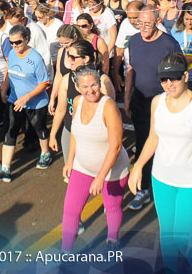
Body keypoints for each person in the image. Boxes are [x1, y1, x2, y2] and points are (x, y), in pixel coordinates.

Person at [130, 53, 192, 273]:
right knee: (167, 235)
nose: (168, 84)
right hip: (161, 179)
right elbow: (153, 137)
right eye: (163, 79)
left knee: (184, 238)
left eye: (174, 78)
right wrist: (138, 166)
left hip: (191, 182)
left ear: (186, 76)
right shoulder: (157, 102)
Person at [61, 66, 129, 251]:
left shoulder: (108, 107)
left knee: (112, 207)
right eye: (85, 87)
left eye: (94, 85)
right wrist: (70, 161)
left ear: (100, 84)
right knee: (70, 211)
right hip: (82, 167)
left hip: (112, 169)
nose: (90, 90)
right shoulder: (77, 102)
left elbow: (115, 146)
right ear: (78, 87)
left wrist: (100, 177)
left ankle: (112, 239)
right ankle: (65, 251)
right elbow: (74, 131)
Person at [124, 6, 183, 211]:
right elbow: (131, 69)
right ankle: (144, 190)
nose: (143, 28)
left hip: (165, 104)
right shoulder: (134, 41)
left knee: (168, 145)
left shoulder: (169, 44)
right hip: (141, 102)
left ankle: (170, 186)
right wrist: (127, 97)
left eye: (148, 24)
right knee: (142, 144)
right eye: (140, 23)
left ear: (158, 22)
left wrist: (176, 102)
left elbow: (180, 74)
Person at [0, 25, 53, 182]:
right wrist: (4, 88)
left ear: (27, 39)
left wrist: (27, 97)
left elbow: (44, 83)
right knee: (10, 131)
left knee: (39, 130)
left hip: (36, 103)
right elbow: (9, 72)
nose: (14, 46)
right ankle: (5, 168)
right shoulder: (12, 53)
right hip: (15, 101)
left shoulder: (36, 59)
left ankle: (45, 154)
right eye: (11, 42)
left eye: (18, 42)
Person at [49, 38, 115, 170]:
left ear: (86, 59)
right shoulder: (67, 79)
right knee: (71, 173)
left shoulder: (103, 82)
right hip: (70, 131)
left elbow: (111, 118)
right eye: (68, 57)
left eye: (73, 58)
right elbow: (61, 110)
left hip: (94, 136)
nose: (69, 61)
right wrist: (52, 135)